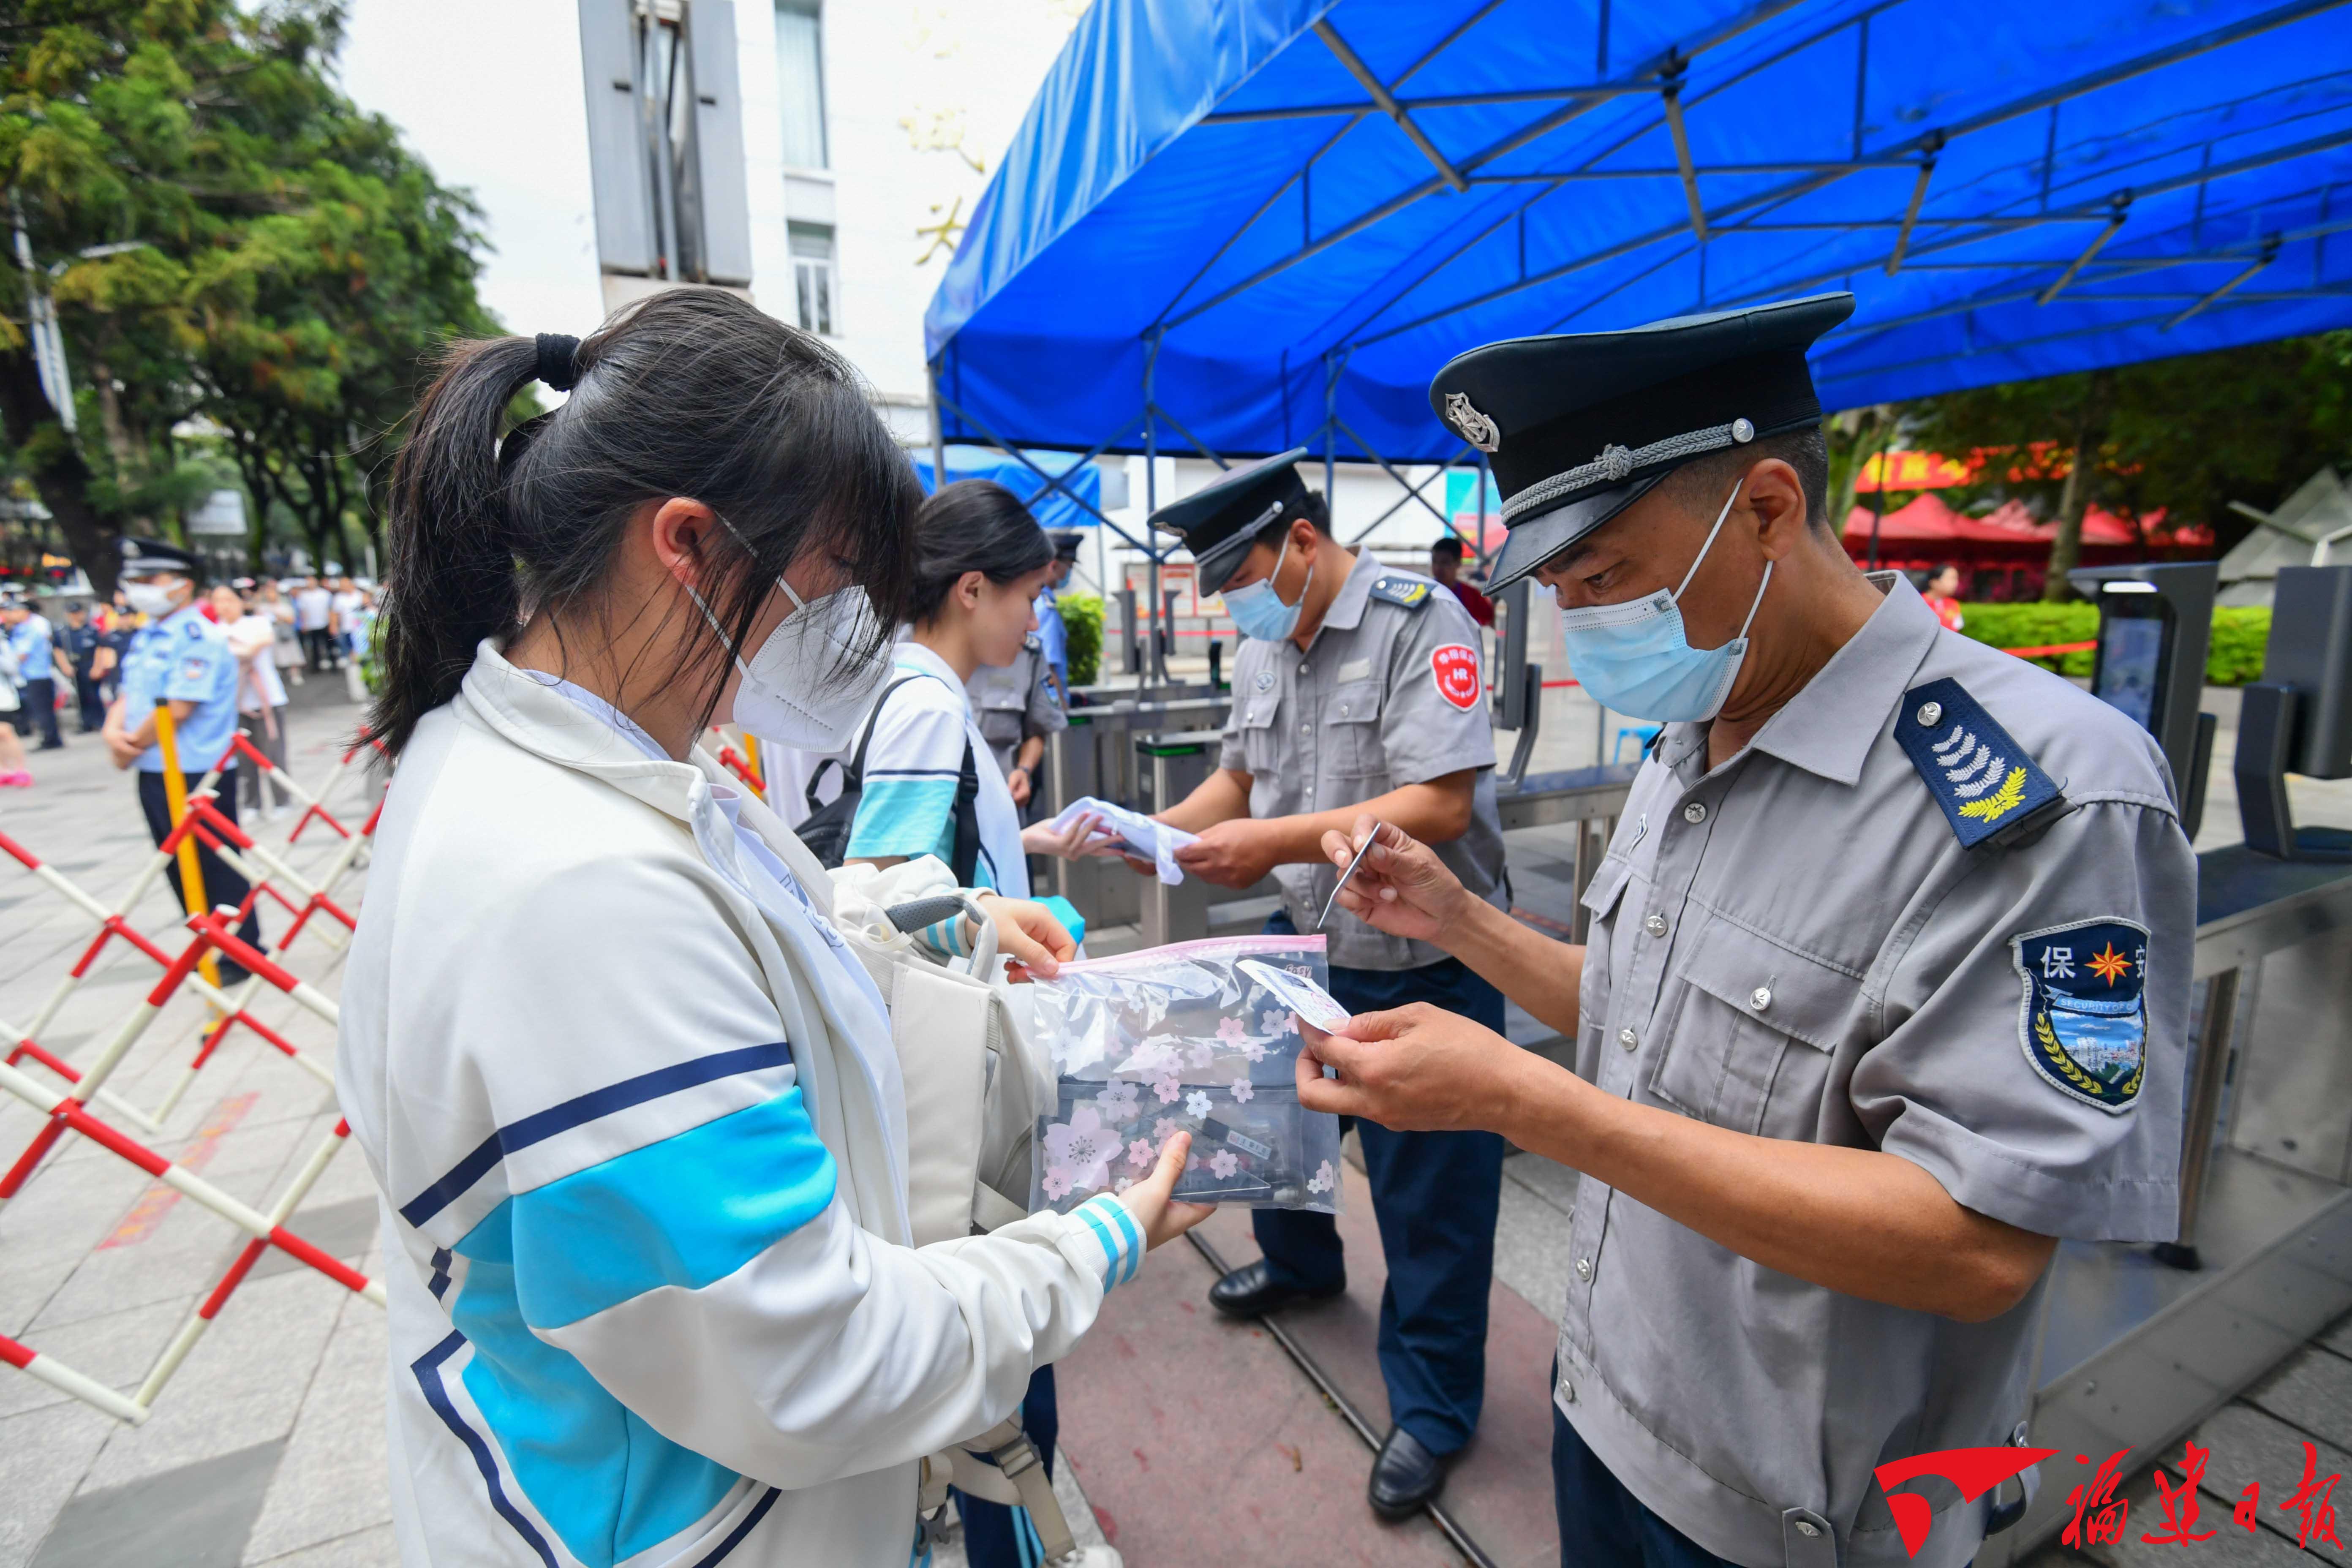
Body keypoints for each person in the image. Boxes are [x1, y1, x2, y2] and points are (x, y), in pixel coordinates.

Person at [1301, 293, 2192, 1568]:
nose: (1583, 623)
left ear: (1769, 508)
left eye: (1602, 575)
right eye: (1555, 587)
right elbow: (1640, 1008)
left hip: (1798, 1517)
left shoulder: (2040, 795)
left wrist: (1525, 1103)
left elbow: (1978, 1238)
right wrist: (1455, 918)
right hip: (1607, 1406)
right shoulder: (1701, 721)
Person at [340, 293, 1205, 1568]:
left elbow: (757, 920)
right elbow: (819, 1363)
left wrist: (940, 914)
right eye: (835, 576)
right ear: (686, 542)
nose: (852, 620)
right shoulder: (574, 890)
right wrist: (1097, 1239)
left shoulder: (583, 766)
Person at [1148, 449, 1511, 1520]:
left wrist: (1268, 838)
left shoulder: (1419, 621)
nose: (1238, 604)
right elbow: (1238, 778)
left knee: (1431, 1203)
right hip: (1300, 943)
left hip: (1424, 966)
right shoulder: (1266, 649)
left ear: (1301, 541)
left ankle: (1435, 1407)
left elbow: (1440, 803)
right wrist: (1152, 835)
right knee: (1273, 1139)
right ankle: (1300, 1268)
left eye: (1244, 577)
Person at [841, 477, 1114, 1565]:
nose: (1033, 621)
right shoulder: (923, 698)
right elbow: (887, 898)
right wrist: (990, 915)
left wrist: (1015, 859)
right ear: (968, 589)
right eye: (1028, 597)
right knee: (1000, 1383)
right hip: (961, 1090)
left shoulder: (914, 690)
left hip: (967, 1070)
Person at [103, 537, 265, 978]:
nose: (138, 588)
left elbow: (177, 708)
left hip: (197, 770)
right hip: (155, 767)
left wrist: (128, 746)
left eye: (148, 579)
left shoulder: (199, 636)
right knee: (174, 861)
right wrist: (112, 733)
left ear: (182, 584)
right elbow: (130, 694)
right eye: (133, 580)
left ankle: (242, 949)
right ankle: (207, 941)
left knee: (217, 863)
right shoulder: (148, 634)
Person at [214, 583, 291, 817]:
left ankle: (282, 801)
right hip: (235, 704)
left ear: (240, 602)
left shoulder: (258, 623)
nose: (223, 605)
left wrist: (233, 649)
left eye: (229, 599)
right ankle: (251, 804)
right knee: (243, 757)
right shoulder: (213, 630)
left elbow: (254, 648)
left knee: (274, 753)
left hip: (268, 699)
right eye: (218, 600)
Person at [2, 592, 65, 750]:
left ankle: (51, 739)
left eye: (16, 611)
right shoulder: (20, 629)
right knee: (40, 710)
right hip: (31, 676)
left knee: (43, 710)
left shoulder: (30, 630)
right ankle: (49, 738)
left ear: (26, 612)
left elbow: (21, 656)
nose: (12, 615)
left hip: (38, 675)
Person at [1033, 529, 1082, 693]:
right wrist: (1061, 711)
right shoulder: (1045, 609)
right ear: (1053, 565)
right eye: (1069, 566)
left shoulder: (1037, 602)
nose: (1069, 572)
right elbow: (1050, 668)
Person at [1429, 535, 1494, 627]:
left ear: (1458, 563)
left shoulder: (1472, 595)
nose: (1438, 568)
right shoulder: (1425, 593)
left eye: (1445, 562)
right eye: (1434, 561)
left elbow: (1490, 620)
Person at [59, 602, 105, 732]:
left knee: (94, 695)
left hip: (90, 664)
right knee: (81, 696)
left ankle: (100, 721)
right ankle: (86, 722)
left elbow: (100, 648)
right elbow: (58, 650)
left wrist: (98, 667)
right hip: (75, 665)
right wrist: (65, 666)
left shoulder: (91, 630)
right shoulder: (64, 633)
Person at [255, 576, 305, 687]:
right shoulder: (262, 607)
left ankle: (295, 674)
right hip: (271, 635)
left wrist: (279, 617)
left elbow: (292, 619)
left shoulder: (285, 604)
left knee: (291, 655)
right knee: (274, 657)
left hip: (285, 633)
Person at [0, 629, 28, 787]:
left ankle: (21, 770)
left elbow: (12, 667)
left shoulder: (2, 642)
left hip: (3, 694)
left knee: (5, 732)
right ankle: (4, 770)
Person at [294, 574, 334, 669]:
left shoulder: (325, 594)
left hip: (325, 623)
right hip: (312, 624)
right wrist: (304, 624)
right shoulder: (303, 596)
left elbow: (331, 609)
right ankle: (316, 666)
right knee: (315, 647)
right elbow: (303, 611)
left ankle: (333, 664)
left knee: (329, 645)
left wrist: (332, 623)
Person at [1921, 561, 1966, 632]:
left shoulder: (1953, 604)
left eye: (1956, 579)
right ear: (1934, 582)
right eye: (1952, 579)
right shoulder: (1920, 603)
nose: (1956, 583)